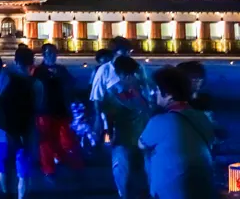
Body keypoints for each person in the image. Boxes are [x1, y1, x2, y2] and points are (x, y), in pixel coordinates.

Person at [139, 66, 216, 199]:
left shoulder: (161, 120)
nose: (155, 93)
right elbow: (211, 140)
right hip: (203, 187)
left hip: (170, 190)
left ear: (168, 94)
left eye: (157, 89)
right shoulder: (202, 117)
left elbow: (141, 144)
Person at [0, 46, 43, 199]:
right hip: (25, 133)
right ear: (32, 63)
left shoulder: (5, 76)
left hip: (3, 132)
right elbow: (38, 107)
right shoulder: (36, 84)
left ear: (15, 61)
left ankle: (6, 194)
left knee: (3, 168)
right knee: (23, 173)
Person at [102, 56, 151, 198]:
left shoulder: (143, 90)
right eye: (127, 74)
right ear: (120, 74)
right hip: (123, 143)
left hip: (144, 142)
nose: (131, 78)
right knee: (124, 179)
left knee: (145, 178)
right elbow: (107, 122)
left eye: (133, 74)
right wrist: (107, 141)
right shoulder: (112, 94)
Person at [32, 43, 82, 180]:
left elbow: (71, 84)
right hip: (45, 110)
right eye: (49, 53)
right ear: (44, 55)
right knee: (46, 141)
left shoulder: (61, 70)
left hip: (62, 109)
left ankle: (67, 161)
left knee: (67, 139)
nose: (52, 55)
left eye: (54, 52)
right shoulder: (38, 71)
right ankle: (48, 169)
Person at [91, 37, 150, 144]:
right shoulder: (105, 70)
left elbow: (145, 90)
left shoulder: (137, 67)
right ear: (115, 52)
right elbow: (97, 96)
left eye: (129, 51)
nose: (128, 54)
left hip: (136, 117)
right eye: (125, 51)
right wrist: (98, 118)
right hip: (114, 118)